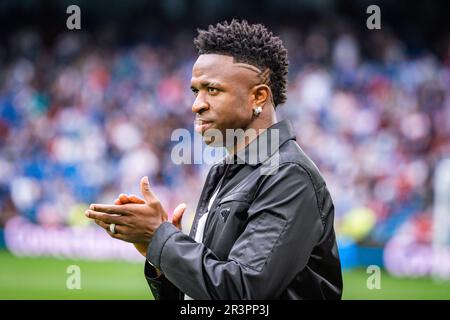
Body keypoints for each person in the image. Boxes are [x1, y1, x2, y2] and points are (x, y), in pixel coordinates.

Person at [85, 19, 343, 300]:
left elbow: (243, 294)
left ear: (258, 97)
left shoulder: (287, 174)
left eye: (213, 90)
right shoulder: (224, 172)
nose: (197, 104)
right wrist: (157, 253)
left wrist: (162, 238)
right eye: (196, 91)